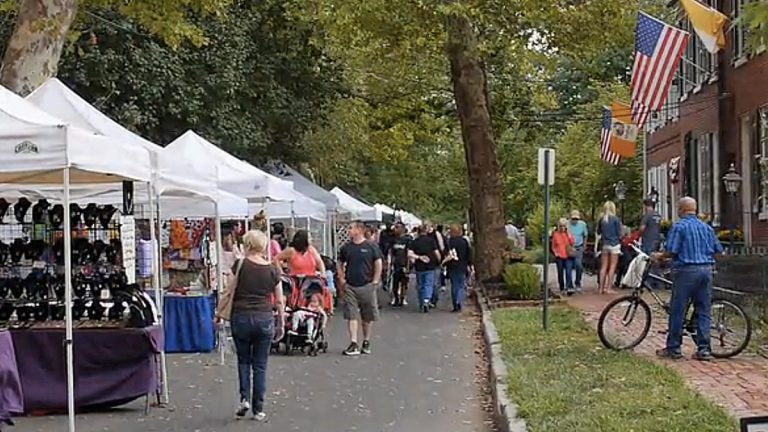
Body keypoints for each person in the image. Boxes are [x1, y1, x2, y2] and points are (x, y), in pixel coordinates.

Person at [215, 230, 284, 421]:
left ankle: (244, 398)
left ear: (248, 244)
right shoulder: (272, 269)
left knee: (243, 360)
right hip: (264, 317)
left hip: (241, 317)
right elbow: (279, 300)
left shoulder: (240, 265)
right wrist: (281, 321)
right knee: (260, 365)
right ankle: (259, 408)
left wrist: (219, 313)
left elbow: (229, 290)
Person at [653, 197, 723, 361]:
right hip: (706, 270)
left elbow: (672, 250)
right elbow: (718, 249)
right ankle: (704, 349)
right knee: (703, 310)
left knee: (679, 309)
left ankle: (674, 348)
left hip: (686, 271)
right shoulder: (706, 228)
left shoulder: (680, 226)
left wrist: (659, 256)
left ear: (681, 209)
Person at [338, 221, 383, 356]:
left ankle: (366, 341)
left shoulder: (371, 246)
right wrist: (341, 278)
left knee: (367, 316)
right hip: (350, 285)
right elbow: (340, 261)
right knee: (351, 314)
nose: (349, 231)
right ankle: (353, 342)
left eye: (351, 228)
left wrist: (375, 280)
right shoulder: (346, 247)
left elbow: (378, 263)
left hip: (367, 285)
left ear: (359, 230)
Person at [408, 224, 441, 313]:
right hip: (430, 266)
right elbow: (436, 252)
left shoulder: (414, 242)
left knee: (420, 285)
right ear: (426, 231)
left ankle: (422, 302)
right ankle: (427, 300)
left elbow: (409, 254)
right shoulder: (431, 241)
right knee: (428, 284)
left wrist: (418, 257)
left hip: (419, 267)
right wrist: (439, 261)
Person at [444, 224, 473, 312]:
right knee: (461, 284)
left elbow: (446, 253)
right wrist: (470, 264)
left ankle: (455, 303)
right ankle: (459, 300)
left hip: (452, 265)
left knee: (454, 285)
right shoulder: (464, 241)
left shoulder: (449, 242)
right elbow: (469, 253)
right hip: (462, 265)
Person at [597, 201, 622, 295]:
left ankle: (601, 288)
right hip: (614, 244)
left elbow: (598, 232)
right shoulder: (616, 219)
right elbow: (620, 234)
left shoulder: (602, 219)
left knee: (603, 267)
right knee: (612, 267)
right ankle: (609, 288)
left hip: (605, 244)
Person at [390, 222, 412, 307]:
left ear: (402, 229)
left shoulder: (408, 239)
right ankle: (396, 298)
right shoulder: (393, 239)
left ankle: (403, 298)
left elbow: (409, 253)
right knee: (395, 283)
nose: (395, 229)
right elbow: (392, 252)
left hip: (404, 263)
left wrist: (408, 265)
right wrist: (391, 263)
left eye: (397, 227)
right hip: (396, 264)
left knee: (404, 282)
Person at [552, 218, 576, 295]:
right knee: (560, 272)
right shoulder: (555, 234)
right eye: (561, 226)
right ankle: (562, 287)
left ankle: (569, 287)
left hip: (568, 255)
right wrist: (556, 252)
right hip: (559, 256)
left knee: (569, 272)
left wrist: (569, 235)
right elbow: (553, 246)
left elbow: (572, 243)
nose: (563, 228)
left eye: (564, 226)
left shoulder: (568, 234)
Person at [567, 210, 588, 292]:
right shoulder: (567, 225)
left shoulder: (582, 225)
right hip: (569, 247)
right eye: (573, 219)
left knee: (578, 265)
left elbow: (585, 235)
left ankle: (578, 283)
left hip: (579, 247)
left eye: (576, 219)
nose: (575, 220)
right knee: (569, 267)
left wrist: (584, 245)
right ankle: (569, 285)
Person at [427, 223, 446, 307]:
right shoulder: (436, 234)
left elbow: (441, 247)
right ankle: (430, 299)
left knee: (433, 282)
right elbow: (442, 247)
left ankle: (432, 299)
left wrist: (440, 259)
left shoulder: (436, 234)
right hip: (430, 261)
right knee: (433, 282)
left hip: (434, 261)